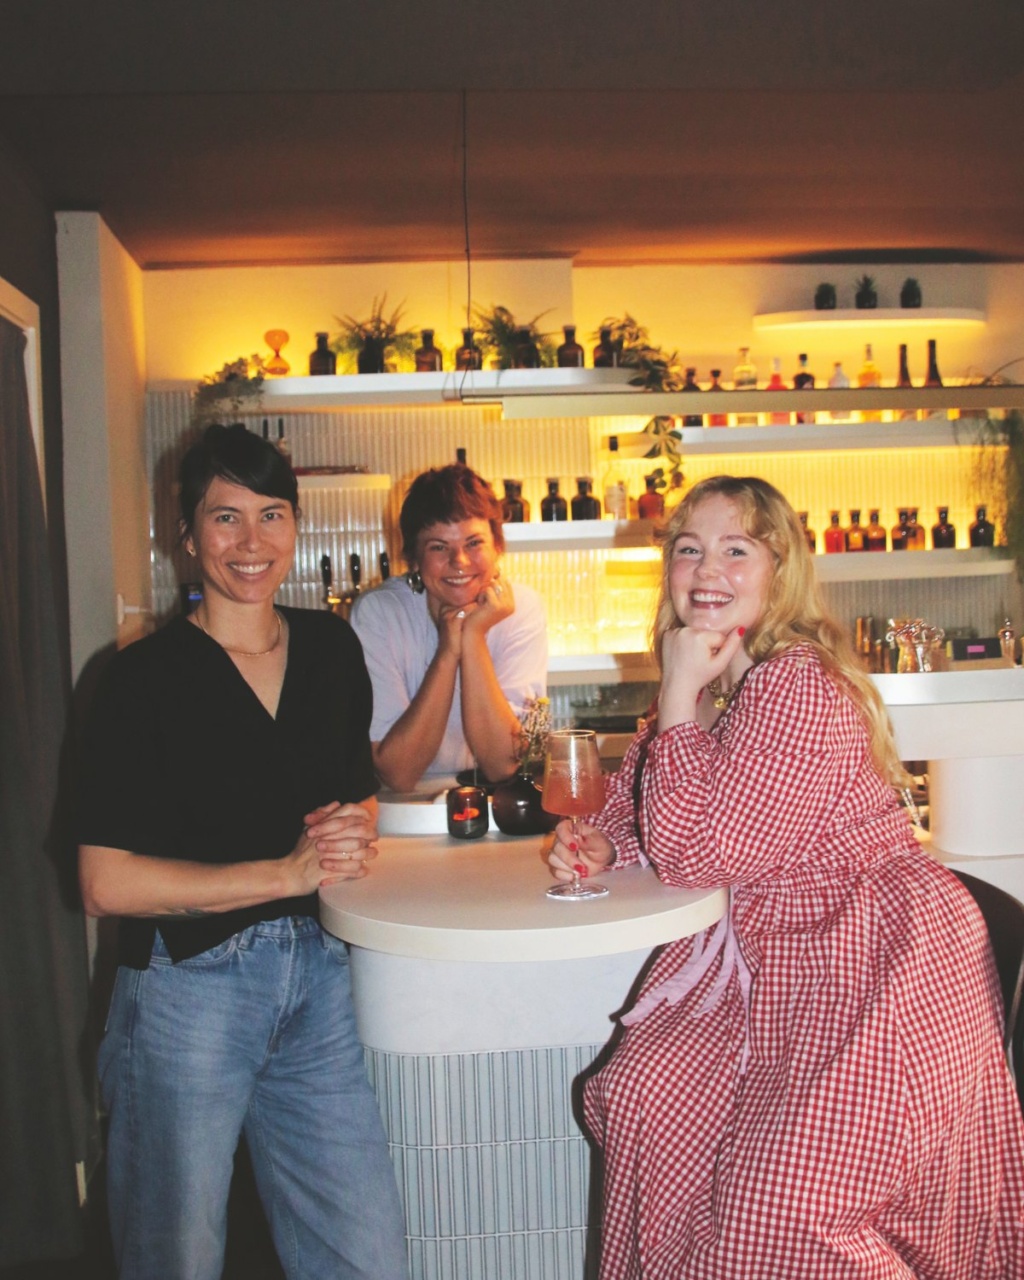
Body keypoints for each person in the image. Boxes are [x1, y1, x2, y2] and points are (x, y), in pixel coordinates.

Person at [549, 475, 1024, 1278]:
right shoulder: (725, 686)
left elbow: (699, 852)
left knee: (783, 1206)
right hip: (788, 959)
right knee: (649, 1103)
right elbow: (652, 814)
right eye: (690, 549)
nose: (708, 568)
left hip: (875, 958)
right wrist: (602, 844)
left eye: (738, 549)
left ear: (781, 572)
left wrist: (674, 692)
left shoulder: (792, 681)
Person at [77, 424, 409, 1280]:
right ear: (185, 537)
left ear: (297, 525)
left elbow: (355, 799)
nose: (251, 543)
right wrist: (285, 873)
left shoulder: (333, 649)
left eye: (271, 515)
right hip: (187, 994)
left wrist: (350, 837)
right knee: (176, 1257)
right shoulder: (137, 681)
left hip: (319, 981)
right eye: (225, 519)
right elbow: (105, 882)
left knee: (363, 1252)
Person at [351, 463, 546, 791]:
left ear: (497, 547)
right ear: (414, 557)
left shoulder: (522, 609)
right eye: (438, 547)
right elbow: (398, 774)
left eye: (474, 543)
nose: (460, 561)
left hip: (493, 801)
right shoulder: (379, 614)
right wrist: (448, 648)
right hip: (402, 811)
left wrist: (473, 635)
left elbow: (502, 766)